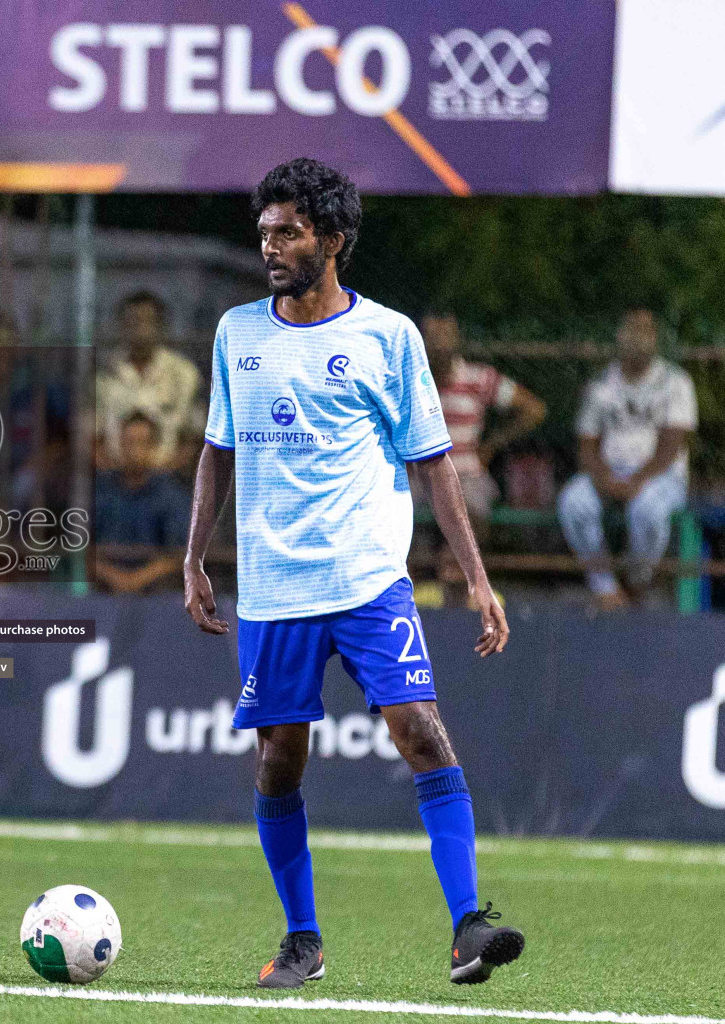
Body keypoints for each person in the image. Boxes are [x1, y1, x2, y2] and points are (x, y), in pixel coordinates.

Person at [182, 159, 523, 990]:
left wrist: (476, 578)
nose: (271, 246)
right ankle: (303, 939)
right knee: (279, 764)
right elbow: (216, 452)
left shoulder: (390, 337)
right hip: (272, 589)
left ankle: (468, 925)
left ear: (332, 241)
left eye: (288, 232)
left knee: (421, 730)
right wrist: (194, 556)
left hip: (370, 580)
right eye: (264, 232)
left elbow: (434, 463)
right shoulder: (238, 334)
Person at [557, 309, 696, 612]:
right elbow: (587, 445)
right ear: (619, 336)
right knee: (573, 502)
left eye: (644, 331)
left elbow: (671, 445)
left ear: (655, 338)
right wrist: (604, 478)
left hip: (662, 475)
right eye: (630, 331)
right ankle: (605, 588)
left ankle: (637, 583)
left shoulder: (675, 382)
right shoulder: (601, 384)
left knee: (646, 510)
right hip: (609, 472)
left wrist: (637, 479)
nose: (636, 338)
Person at [418, 312, 546, 600]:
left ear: (457, 340)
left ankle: (467, 582)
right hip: (418, 471)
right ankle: (413, 584)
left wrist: (492, 445)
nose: (439, 344)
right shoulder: (410, 379)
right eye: (432, 337)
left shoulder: (479, 378)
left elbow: (534, 409)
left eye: (445, 336)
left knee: (473, 505)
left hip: (465, 470)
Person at [96, 291, 203, 473]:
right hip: (115, 481)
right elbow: (92, 438)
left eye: (147, 321)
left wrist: (169, 471)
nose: (140, 329)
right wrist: (111, 472)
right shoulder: (104, 375)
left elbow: (196, 438)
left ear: (161, 325)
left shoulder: (184, 374)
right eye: (132, 321)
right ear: (121, 325)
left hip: (169, 479)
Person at [94, 413, 189, 594]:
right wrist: (115, 578)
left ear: (153, 447)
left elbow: (179, 555)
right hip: (103, 593)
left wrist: (136, 580)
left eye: (142, 442)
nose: (135, 450)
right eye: (129, 442)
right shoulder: (101, 490)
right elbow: (82, 549)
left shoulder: (171, 494)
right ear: (120, 445)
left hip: (158, 596)